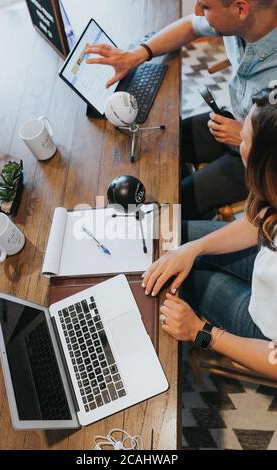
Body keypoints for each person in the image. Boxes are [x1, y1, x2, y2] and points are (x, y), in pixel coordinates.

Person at [84, 0, 277, 219]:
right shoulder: (242, 21)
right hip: (234, 121)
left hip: (261, 158)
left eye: (205, 7)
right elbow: (191, 26)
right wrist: (139, 54)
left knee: (170, 203)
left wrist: (245, 136)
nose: (197, 11)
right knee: (162, 142)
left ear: (241, 9)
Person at [141, 88, 277, 380]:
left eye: (244, 138)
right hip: (267, 268)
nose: (238, 140)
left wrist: (201, 333)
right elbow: (260, 221)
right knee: (169, 240)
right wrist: (192, 249)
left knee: (173, 282)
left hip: (265, 330)